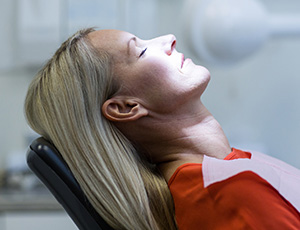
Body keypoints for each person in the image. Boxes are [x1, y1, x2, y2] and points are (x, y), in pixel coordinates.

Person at [24, 28, 300, 230]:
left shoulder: (225, 175)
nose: (169, 38)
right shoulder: (226, 194)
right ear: (126, 107)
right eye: (142, 51)